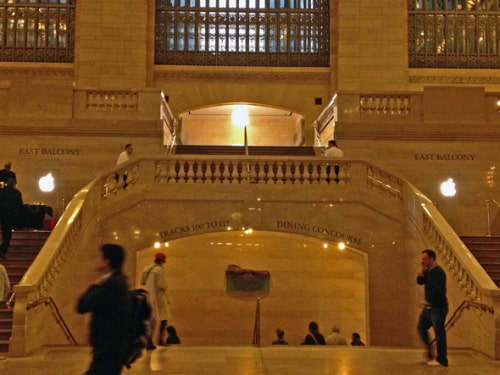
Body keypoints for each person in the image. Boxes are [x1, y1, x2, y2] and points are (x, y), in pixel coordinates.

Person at [76, 244, 131, 375]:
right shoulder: (121, 280)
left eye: (99, 256)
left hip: (108, 349)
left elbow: (82, 305)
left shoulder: (110, 285)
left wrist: (93, 286)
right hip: (113, 348)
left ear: (107, 261)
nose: (97, 260)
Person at [417, 249, 448, 367]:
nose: (423, 261)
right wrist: (422, 270)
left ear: (432, 259)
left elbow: (437, 291)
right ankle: (431, 352)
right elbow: (419, 281)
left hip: (438, 308)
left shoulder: (438, 272)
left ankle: (442, 359)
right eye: (422, 259)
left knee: (439, 333)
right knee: (421, 328)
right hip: (429, 308)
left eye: (425, 259)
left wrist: (426, 301)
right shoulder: (428, 271)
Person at [141, 252, 171, 347]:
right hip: (158, 297)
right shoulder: (159, 270)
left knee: (151, 319)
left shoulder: (146, 269)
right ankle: (160, 340)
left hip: (148, 295)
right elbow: (162, 285)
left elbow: (142, 282)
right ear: (162, 261)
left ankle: (149, 340)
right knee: (164, 318)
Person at [0, 178, 24, 259]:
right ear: (14, 184)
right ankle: (3, 250)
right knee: (7, 233)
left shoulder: (1, 191)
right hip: (10, 216)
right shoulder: (16, 193)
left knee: (5, 232)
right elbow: (20, 206)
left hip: (1, 213)